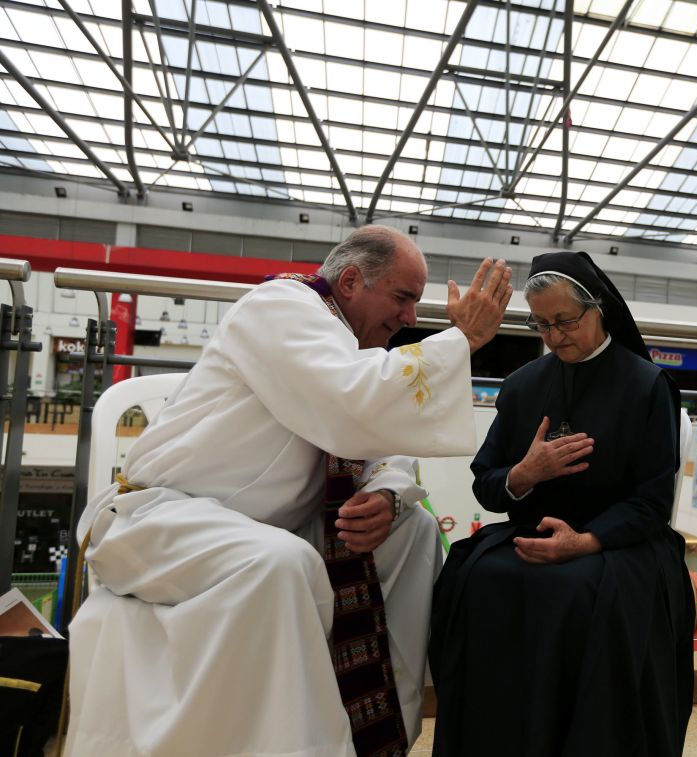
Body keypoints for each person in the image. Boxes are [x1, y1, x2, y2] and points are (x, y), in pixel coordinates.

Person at [66, 225, 512, 756]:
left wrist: (387, 496)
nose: (411, 318)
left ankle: (380, 734)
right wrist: (460, 340)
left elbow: (383, 442)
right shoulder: (280, 306)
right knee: (280, 562)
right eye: (403, 297)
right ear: (350, 281)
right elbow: (350, 404)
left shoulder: (343, 342)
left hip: (259, 526)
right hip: (157, 518)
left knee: (411, 531)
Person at [429, 251, 695, 757]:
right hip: (530, 532)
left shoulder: (648, 386)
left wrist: (586, 541)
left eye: (566, 321)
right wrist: (525, 475)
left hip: (620, 543)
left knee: (576, 592)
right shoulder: (522, 385)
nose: (554, 336)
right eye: (542, 324)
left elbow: (653, 500)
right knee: (474, 579)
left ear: (599, 311)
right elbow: (486, 483)